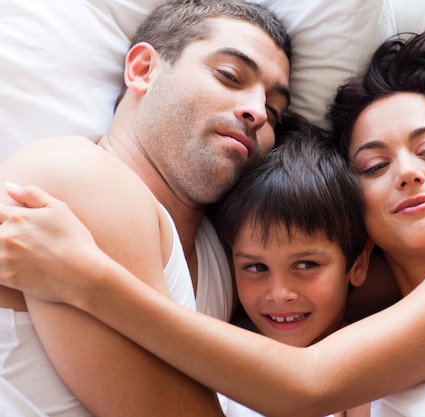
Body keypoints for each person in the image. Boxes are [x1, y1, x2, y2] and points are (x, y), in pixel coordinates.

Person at [0, 29, 425, 417]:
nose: (406, 174)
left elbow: (307, 384)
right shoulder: (386, 304)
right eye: (373, 165)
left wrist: (86, 279)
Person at [0, 0, 291, 415]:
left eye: (275, 112)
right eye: (229, 75)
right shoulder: (76, 176)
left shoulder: (228, 261)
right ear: (143, 70)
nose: (258, 113)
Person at [214, 114, 371, 416]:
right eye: (256, 268)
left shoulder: (368, 364)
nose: (280, 294)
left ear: (358, 263)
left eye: (306, 264)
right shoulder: (221, 355)